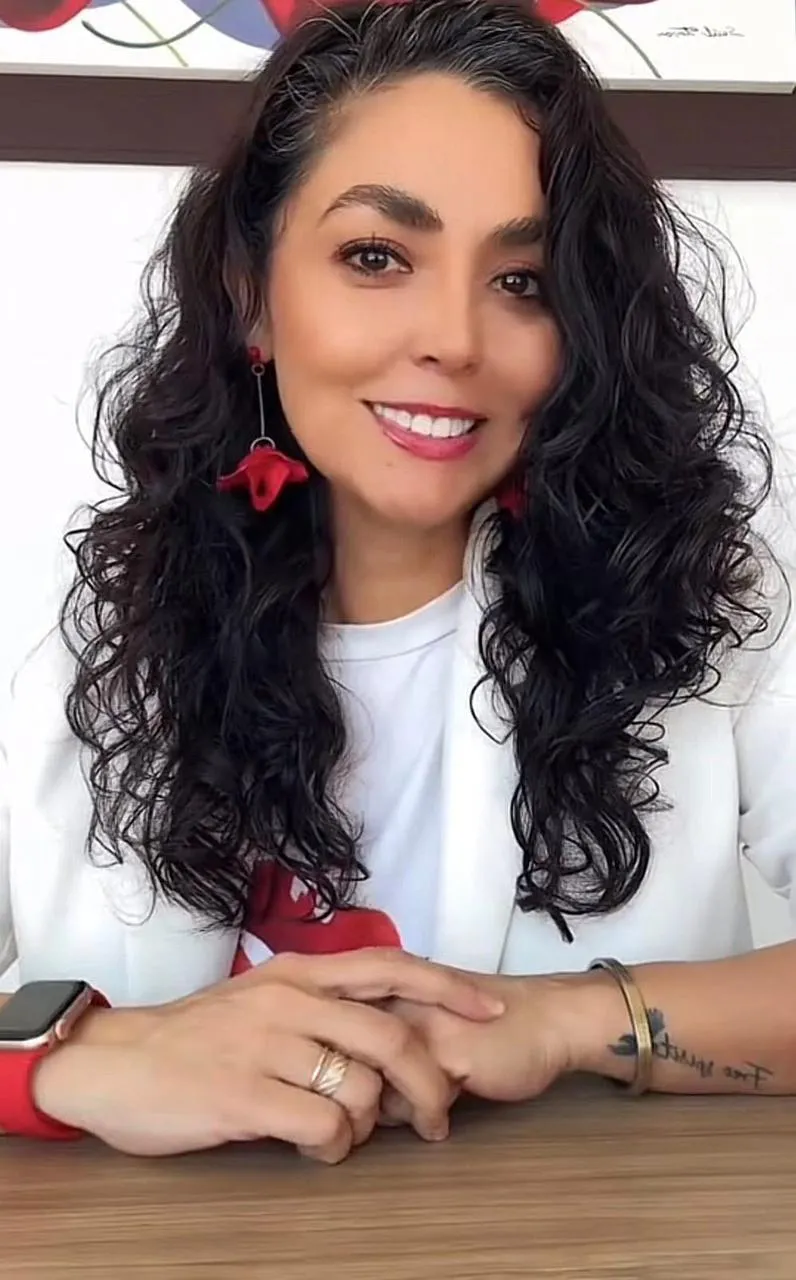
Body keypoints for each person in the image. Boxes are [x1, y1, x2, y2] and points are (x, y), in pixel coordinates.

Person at [1, 0, 795, 1164]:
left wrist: (568, 1019)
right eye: (376, 257)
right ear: (250, 291)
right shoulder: (81, 624)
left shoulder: (710, 605)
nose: (454, 339)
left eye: (523, 280)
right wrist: (71, 1058)